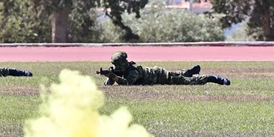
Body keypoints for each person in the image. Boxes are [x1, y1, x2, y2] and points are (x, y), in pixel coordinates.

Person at [98, 50, 230, 86]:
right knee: (178, 74)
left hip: (162, 77)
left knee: (189, 82)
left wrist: (113, 76)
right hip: (157, 72)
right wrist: (109, 76)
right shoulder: (121, 70)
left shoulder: (133, 71)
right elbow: (108, 84)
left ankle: (213, 78)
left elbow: (127, 83)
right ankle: (189, 71)